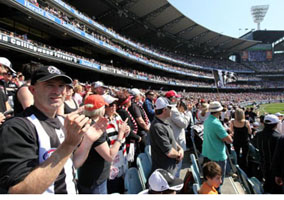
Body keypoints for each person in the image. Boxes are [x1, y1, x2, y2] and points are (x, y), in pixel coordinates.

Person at [0, 65, 106, 194]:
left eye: (61, 86)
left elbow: (70, 165)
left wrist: (88, 141)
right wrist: (68, 145)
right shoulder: (17, 127)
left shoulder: (63, 121)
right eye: (49, 85)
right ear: (32, 90)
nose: (57, 91)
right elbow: (19, 192)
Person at [77, 94, 129, 194]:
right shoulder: (95, 128)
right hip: (95, 179)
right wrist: (120, 134)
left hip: (87, 175)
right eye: (106, 106)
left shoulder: (84, 122)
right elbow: (110, 156)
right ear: (101, 109)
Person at [201, 101, 233, 193]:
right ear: (219, 112)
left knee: (211, 183)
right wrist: (230, 134)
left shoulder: (207, 120)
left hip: (209, 153)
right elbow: (229, 140)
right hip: (217, 155)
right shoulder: (216, 123)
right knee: (217, 183)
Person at [103, 94, 130, 194]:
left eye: (115, 104)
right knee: (113, 189)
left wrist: (127, 130)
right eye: (111, 105)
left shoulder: (117, 116)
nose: (114, 107)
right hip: (111, 162)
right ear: (104, 107)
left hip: (121, 157)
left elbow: (123, 133)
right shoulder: (102, 121)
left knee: (121, 187)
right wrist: (121, 133)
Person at [150, 97, 183, 175]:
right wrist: (179, 154)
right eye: (170, 108)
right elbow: (169, 152)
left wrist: (180, 148)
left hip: (169, 167)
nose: (171, 109)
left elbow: (172, 141)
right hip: (164, 172)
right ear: (164, 110)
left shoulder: (164, 122)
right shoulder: (157, 127)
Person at [256, 114, 282, 193]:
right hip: (274, 170)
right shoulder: (278, 137)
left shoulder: (258, 134)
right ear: (276, 124)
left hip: (263, 165)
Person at [167, 98, 192, 178]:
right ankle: (175, 184)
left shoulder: (174, 110)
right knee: (177, 165)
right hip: (176, 140)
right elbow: (184, 124)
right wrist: (188, 113)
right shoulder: (173, 110)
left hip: (176, 139)